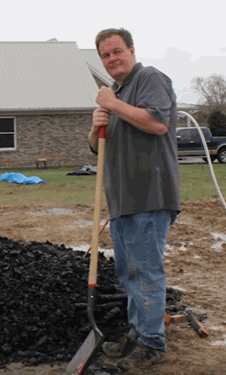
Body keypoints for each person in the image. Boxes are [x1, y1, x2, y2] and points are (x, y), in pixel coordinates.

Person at [87, 28, 181, 371]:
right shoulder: (115, 93)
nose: (112, 59)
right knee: (129, 274)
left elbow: (157, 123)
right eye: (105, 55)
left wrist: (112, 104)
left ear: (131, 50)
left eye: (116, 51)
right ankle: (138, 334)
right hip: (122, 199)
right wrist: (97, 124)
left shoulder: (149, 79)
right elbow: (98, 147)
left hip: (149, 195)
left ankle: (152, 343)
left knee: (145, 273)